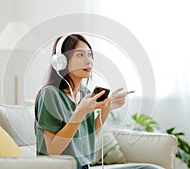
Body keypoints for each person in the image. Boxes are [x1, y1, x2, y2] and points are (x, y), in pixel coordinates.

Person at [35, 34, 134, 169]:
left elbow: (89, 136)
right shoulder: (50, 94)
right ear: (61, 61)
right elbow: (53, 150)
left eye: (90, 55)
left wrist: (107, 107)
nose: (89, 61)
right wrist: (80, 112)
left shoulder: (85, 94)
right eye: (80, 55)